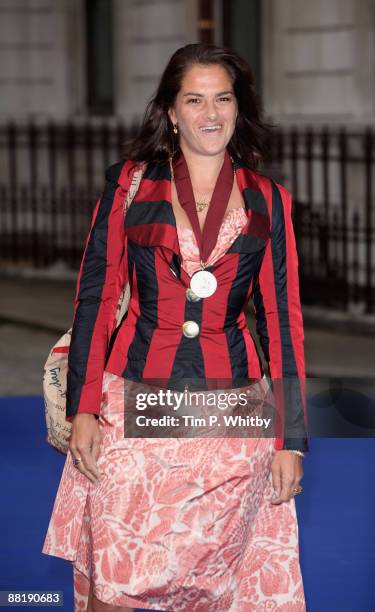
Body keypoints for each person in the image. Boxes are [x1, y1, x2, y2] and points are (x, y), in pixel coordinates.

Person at [42, 43, 308, 611]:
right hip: (130, 404)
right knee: (114, 587)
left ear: (239, 108)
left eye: (223, 99)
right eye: (194, 99)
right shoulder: (131, 186)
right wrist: (82, 408)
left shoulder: (269, 200)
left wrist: (292, 441)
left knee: (210, 590)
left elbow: (283, 322)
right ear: (171, 110)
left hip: (230, 421)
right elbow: (96, 297)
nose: (210, 114)